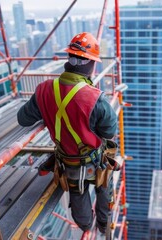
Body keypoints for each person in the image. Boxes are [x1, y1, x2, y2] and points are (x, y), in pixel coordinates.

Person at [17, 32, 118, 235]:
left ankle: (86, 227)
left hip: (67, 162)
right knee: (105, 183)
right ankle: (104, 224)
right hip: (94, 160)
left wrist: (48, 111)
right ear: (91, 64)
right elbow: (108, 132)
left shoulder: (44, 89)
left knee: (78, 196)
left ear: (68, 60)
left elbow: (23, 119)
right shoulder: (96, 99)